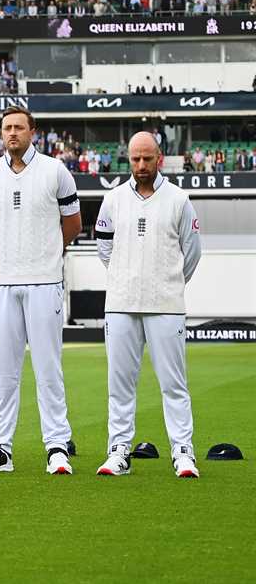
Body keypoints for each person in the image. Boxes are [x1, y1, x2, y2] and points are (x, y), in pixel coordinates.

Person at [0, 106, 82, 475]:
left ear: (33, 131)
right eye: (6, 128)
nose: (12, 133)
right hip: (1, 281)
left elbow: (73, 224)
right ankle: (0, 449)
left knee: (48, 367)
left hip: (44, 280)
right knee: (5, 370)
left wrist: (44, 253)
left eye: (18, 127)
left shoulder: (55, 171)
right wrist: (9, 251)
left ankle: (57, 447)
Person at [94, 132, 202, 478]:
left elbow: (192, 252)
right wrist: (127, 278)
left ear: (160, 158)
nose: (141, 165)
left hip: (166, 305)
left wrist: (166, 282)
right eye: (135, 159)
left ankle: (183, 452)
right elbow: (104, 248)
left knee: (174, 383)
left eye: (147, 158)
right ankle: (118, 451)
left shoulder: (179, 199)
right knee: (120, 383)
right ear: (128, 158)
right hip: (121, 303)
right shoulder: (112, 199)